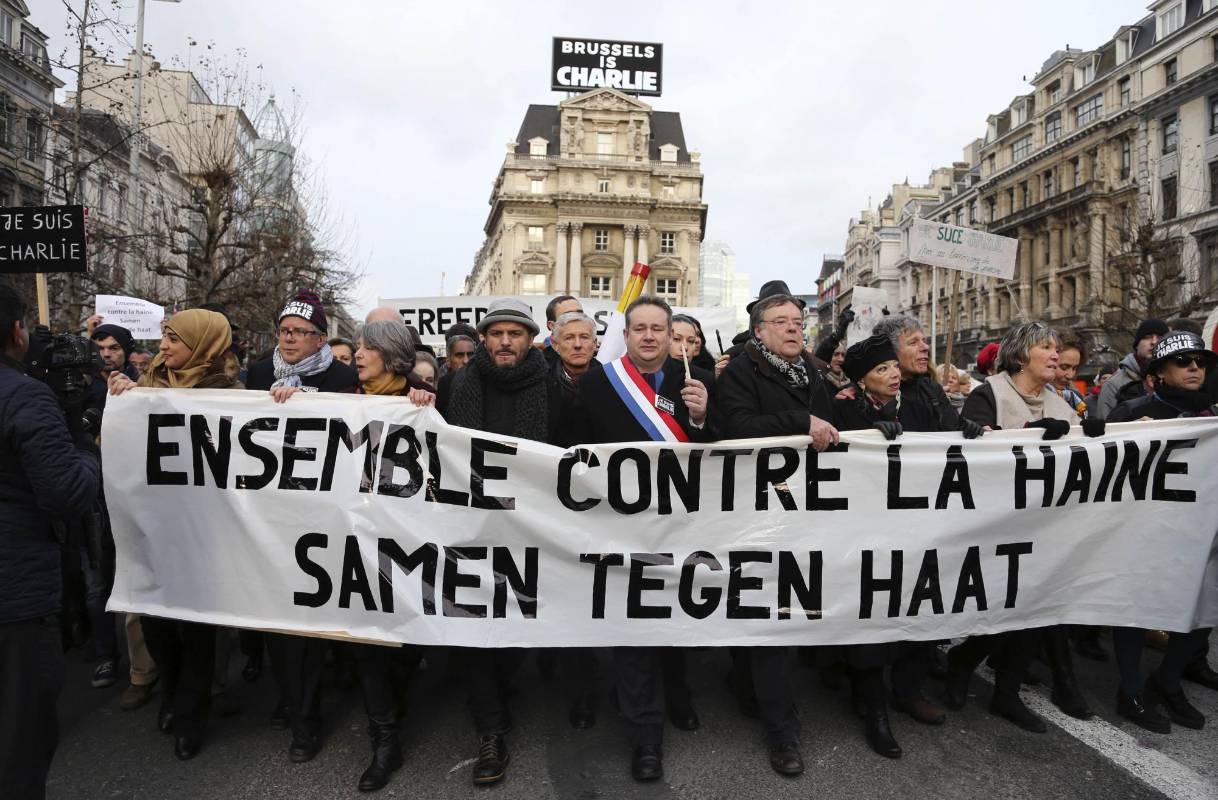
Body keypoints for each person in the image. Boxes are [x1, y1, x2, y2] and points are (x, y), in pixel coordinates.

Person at [577, 295, 717, 782]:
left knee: (677, 620)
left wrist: (700, 420)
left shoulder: (696, 381)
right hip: (622, 528)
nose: (652, 337)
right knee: (635, 629)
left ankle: (677, 696)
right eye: (641, 328)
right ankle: (646, 737)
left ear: (673, 335)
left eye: (661, 329)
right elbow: (573, 451)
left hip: (684, 527)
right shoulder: (599, 382)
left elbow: (723, 454)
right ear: (628, 334)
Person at [946, 322, 1097, 733]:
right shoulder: (988, 394)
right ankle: (962, 661)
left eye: (1055, 348)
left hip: (1045, 526)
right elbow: (974, 453)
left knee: (1035, 608)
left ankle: (1006, 693)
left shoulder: (1062, 402)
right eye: (1045, 348)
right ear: (1020, 354)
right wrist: (1029, 435)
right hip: (997, 525)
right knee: (1000, 606)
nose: (1054, 355)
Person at [442, 298, 566, 785]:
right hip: (470, 528)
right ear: (484, 340)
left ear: (532, 339)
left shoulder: (554, 389)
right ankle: (489, 731)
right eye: (497, 334)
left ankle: (502, 684)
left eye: (516, 333)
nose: (506, 342)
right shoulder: (456, 384)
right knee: (476, 629)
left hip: (530, 530)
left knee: (514, 629)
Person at [108, 308, 240, 760]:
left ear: (201, 345)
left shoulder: (231, 395)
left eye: (173, 339)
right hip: (154, 528)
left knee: (198, 629)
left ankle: (191, 715)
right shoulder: (145, 386)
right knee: (157, 623)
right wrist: (122, 400)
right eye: (163, 338)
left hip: (204, 533)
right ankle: (171, 694)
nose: (163, 346)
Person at [717, 291, 838, 775]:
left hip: (804, 508)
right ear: (760, 331)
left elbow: (833, 424)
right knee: (772, 615)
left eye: (798, 321)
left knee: (788, 611)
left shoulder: (810, 369)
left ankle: (750, 688)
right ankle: (781, 731)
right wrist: (799, 423)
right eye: (782, 322)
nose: (794, 328)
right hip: (758, 512)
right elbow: (738, 428)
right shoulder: (742, 373)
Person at [246, 289, 358, 763]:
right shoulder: (255, 373)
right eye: (284, 331)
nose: (289, 339)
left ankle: (306, 719)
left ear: (320, 339)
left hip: (320, 512)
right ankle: (291, 699)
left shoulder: (343, 377)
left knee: (309, 617)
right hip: (269, 512)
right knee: (277, 619)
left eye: (300, 333)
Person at [0, 279, 101, 798]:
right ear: (18, 333)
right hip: (15, 602)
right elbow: (67, 493)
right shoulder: (25, 398)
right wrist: (82, 443)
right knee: (19, 744)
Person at [1105, 331, 1215, 733]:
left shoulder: (1213, 417)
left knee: (1203, 608)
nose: (1193, 367)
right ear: (1159, 373)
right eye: (1183, 361)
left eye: (1199, 362)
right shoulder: (1131, 413)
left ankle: (1168, 680)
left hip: (1200, 535)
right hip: (1143, 534)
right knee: (1135, 608)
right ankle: (1130, 690)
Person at [348, 320, 433, 791]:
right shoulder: (338, 400)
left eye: (369, 348)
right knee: (369, 640)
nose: (359, 354)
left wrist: (424, 406)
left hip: (408, 538)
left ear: (393, 356)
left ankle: (400, 691)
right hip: (354, 538)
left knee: (403, 637)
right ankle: (383, 739)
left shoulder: (421, 403)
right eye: (357, 346)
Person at [544, 310, 602, 729]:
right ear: (556, 343)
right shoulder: (541, 384)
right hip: (554, 507)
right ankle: (576, 688)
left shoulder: (616, 384)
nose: (579, 344)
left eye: (586, 337)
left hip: (607, 508)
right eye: (571, 338)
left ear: (596, 343)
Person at [1095, 318, 1168, 419]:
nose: (1154, 342)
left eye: (1160, 337)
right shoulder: (1113, 385)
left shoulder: (1177, 379)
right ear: (1137, 344)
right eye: (1147, 337)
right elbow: (1106, 427)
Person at [436, 334, 476, 418]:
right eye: (459, 355)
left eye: (470, 354)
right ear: (448, 360)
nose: (466, 360)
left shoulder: (487, 382)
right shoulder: (441, 386)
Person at [1053, 332, 1089, 418]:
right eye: (1064, 367)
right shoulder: (1031, 397)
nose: (1070, 375)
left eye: (1075, 368)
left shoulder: (1076, 397)